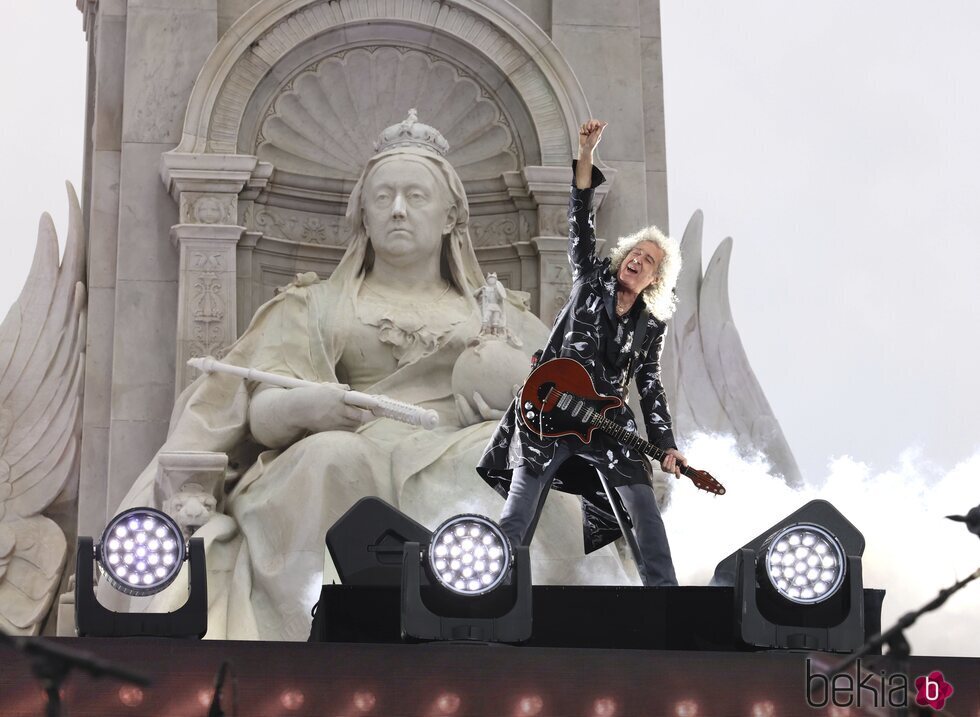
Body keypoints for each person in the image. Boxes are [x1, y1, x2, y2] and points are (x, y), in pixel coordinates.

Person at [103, 114, 636, 640]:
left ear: (451, 216)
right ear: (364, 214)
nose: (397, 211)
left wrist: (516, 409)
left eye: (415, 197)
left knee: (527, 476)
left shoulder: (498, 312)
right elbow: (258, 411)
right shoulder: (314, 305)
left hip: (461, 448)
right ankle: (314, 636)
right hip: (346, 444)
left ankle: (531, 637)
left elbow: (575, 406)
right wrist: (304, 408)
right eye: (382, 198)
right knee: (330, 458)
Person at [478, 119, 687, 586]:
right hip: (553, 402)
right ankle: (496, 585)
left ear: (656, 278)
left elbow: (650, 385)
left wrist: (667, 444)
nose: (637, 258)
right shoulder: (591, 279)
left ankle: (665, 596)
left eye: (649, 259)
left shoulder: (651, 324)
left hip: (607, 418)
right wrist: (585, 152)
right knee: (522, 499)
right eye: (635, 251)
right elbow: (580, 217)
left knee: (642, 499)